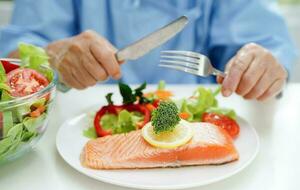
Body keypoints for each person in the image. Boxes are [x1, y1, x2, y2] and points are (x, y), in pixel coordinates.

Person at [0, 0, 297, 101]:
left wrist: (261, 67)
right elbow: (16, 50)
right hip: (72, 135)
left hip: (195, 130)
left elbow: (267, 42)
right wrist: (50, 56)